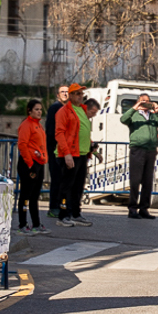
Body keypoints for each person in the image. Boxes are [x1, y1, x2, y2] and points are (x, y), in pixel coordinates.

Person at [120, 93, 158, 219]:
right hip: (138, 149)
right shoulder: (134, 115)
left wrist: (157, 111)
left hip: (150, 150)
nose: (146, 103)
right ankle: (132, 208)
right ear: (138, 102)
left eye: (148, 101)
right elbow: (123, 119)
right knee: (135, 181)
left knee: (148, 181)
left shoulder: (152, 116)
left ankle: (144, 208)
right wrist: (135, 107)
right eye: (143, 101)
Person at [55, 83, 93, 227]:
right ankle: (63, 215)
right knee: (66, 186)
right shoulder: (64, 111)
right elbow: (59, 133)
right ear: (70, 95)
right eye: (77, 93)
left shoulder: (82, 110)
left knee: (78, 186)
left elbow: (84, 131)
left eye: (81, 93)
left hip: (81, 153)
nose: (80, 96)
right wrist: (67, 154)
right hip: (70, 153)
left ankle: (76, 213)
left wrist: (92, 149)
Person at [16, 99, 50, 235]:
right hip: (29, 164)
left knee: (35, 195)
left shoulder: (38, 125)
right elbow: (22, 145)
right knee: (25, 194)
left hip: (39, 163)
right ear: (29, 111)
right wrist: (30, 163)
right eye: (36, 109)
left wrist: (43, 159)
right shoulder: (26, 125)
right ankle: (22, 224)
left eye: (40, 109)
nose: (39, 112)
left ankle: (36, 224)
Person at [45, 85, 70, 217]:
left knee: (63, 179)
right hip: (56, 148)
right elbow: (51, 129)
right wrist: (55, 145)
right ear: (58, 95)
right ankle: (54, 207)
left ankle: (61, 206)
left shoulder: (68, 108)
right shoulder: (55, 108)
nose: (65, 94)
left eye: (67, 92)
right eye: (62, 92)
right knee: (56, 178)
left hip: (64, 149)